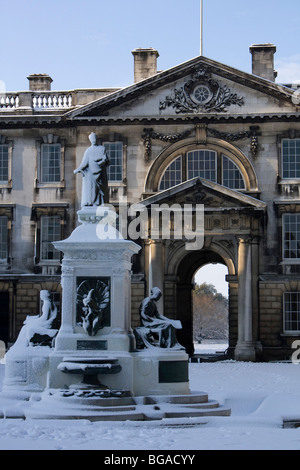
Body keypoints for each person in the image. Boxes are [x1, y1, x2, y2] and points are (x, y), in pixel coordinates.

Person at [74, 132, 110, 207]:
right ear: (90, 140)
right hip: (91, 175)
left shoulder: (102, 149)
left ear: (96, 139)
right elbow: (84, 163)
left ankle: (99, 203)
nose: (93, 140)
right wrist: (77, 169)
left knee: (100, 191)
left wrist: (103, 162)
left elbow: (107, 160)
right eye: (92, 139)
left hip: (100, 175)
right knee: (92, 190)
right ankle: (92, 203)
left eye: (94, 138)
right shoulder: (88, 150)